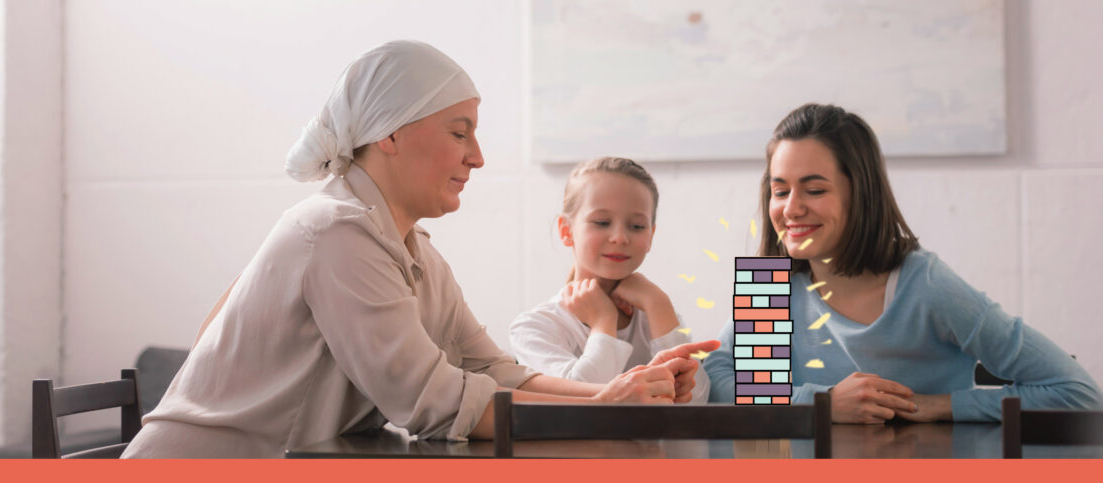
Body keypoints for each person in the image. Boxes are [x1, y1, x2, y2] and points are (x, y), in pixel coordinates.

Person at [121, 40, 715, 458]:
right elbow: (434, 403)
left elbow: (488, 369)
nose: (477, 156)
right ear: (390, 133)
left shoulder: (412, 250)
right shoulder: (337, 233)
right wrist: (606, 404)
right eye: (460, 133)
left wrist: (613, 393)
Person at [704, 103, 1101, 423]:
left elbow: (1076, 393)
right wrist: (822, 404)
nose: (791, 208)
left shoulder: (923, 285)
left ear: (859, 193)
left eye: (814, 189)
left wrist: (938, 405)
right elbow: (720, 382)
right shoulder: (772, 284)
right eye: (780, 190)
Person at [510, 157, 715, 402]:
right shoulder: (534, 328)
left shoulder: (655, 313)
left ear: (651, 235)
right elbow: (583, 406)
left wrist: (658, 303)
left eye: (637, 226)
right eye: (602, 222)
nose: (619, 237)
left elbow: (697, 402)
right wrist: (603, 322)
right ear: (566, 230)